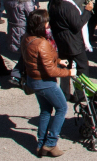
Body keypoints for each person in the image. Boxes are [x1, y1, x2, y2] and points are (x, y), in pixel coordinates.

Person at [22, 10, 74, 157]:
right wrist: (69, 73)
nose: (48, 24)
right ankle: (51, 143)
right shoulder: (42, 43)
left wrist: (58, 61)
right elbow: (51, 71)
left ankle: (41, 144)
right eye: (46, 22)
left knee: (45, 111)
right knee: (62, 108)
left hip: (33, 80)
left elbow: (38, 60)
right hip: (45, 82)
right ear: (41, 25)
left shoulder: (27, 38)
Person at [48, 0, 92, 98]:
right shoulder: (68, 7)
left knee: (65, 66)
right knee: (82, 67)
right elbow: (77, 25)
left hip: (60, 40)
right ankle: (80, 94)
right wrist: (87, 11)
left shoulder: (52, 3)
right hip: (73, 42)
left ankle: (64, 93)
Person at [0, 0, 37, 83]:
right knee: (28, 51)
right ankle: (18, 75)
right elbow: (30, 14)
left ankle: (17, 74)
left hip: (13, 24)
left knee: (24, 51)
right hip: (24, 27)